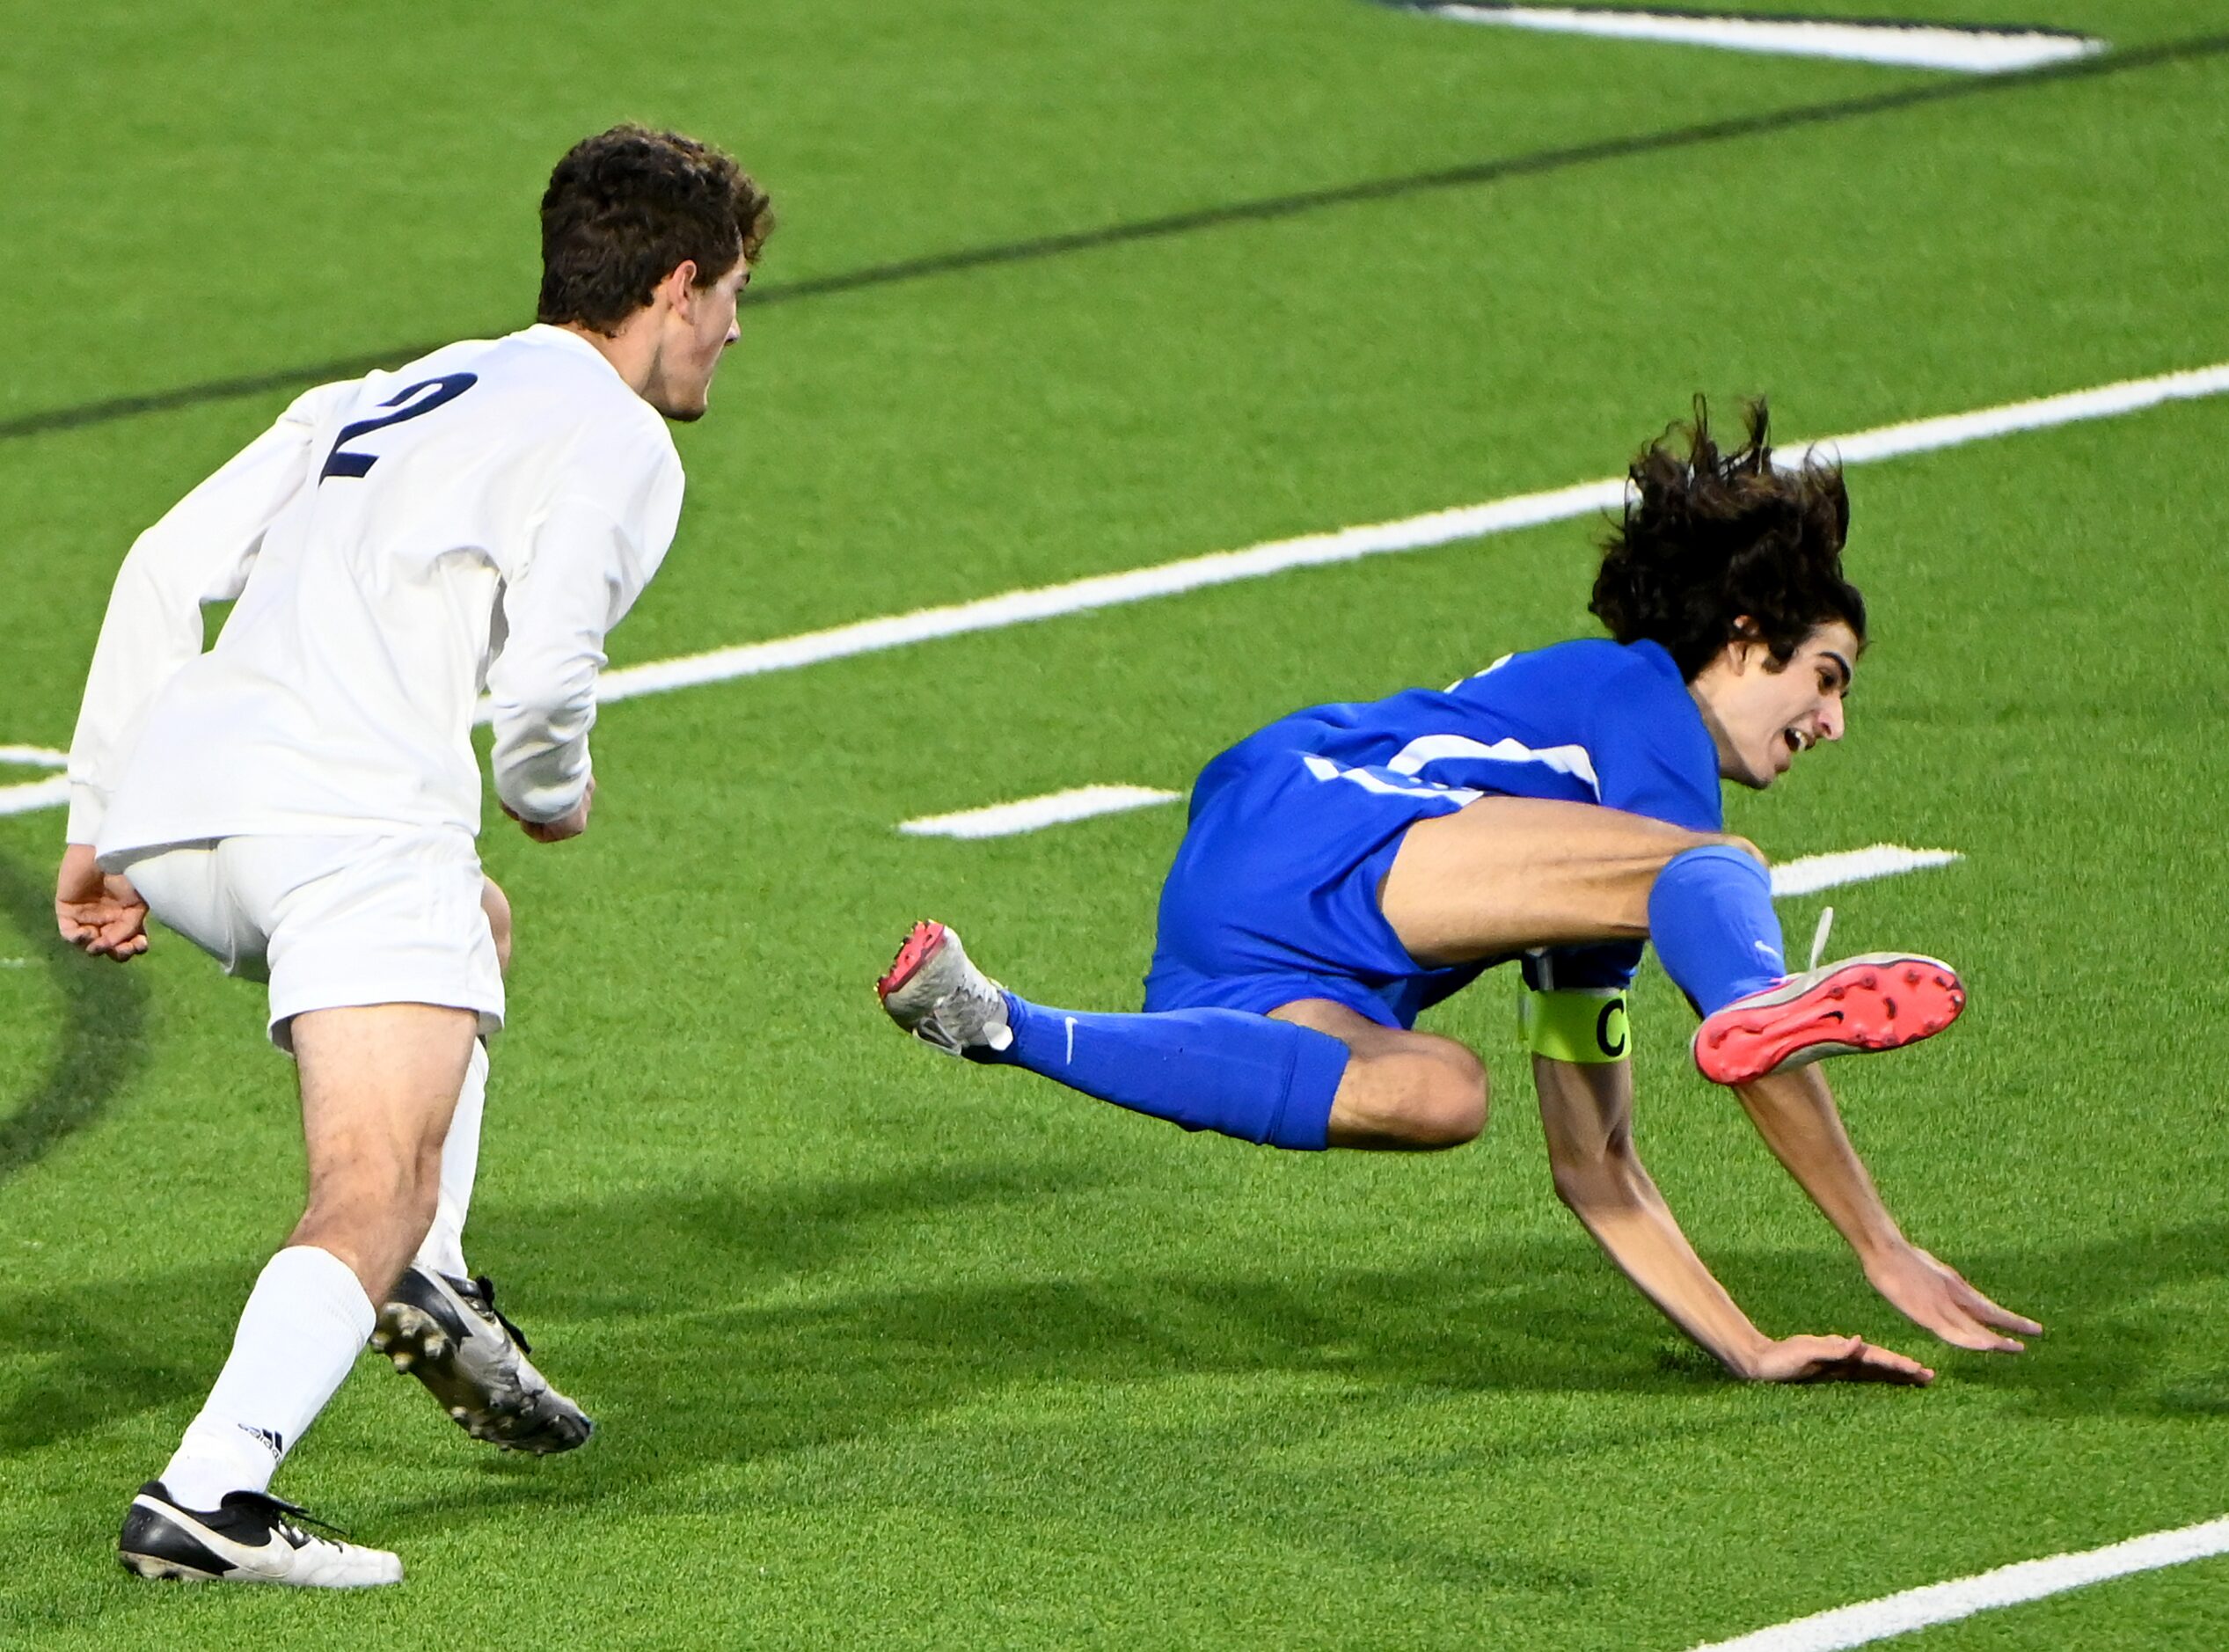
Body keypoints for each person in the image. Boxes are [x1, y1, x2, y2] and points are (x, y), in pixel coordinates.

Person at [880, 401, 2040, 1388]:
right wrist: (1875, 1242)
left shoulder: (1587, 875)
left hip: (1244, 930)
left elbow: (1596, 1166)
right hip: (1330, 819)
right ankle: (1756, 988)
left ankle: (1003, 1024)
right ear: (1743, 639)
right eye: (1822, 678)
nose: (1831, 722)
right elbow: (1695, 892)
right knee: (1717, 869)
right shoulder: (1640, 698)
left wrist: (1749, 1344)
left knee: (1442, 1092)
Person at [54, 124, 772, 1587]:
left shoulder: (384, 387)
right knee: (366, 1178)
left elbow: (155, 562)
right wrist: (548, 787)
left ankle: (428, 1267)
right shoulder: (615, 434)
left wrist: (98, 817)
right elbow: (554, 665)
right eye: (733, 295)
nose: (736, 329)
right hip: (347, 818)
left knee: (475, 923)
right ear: (675, 286)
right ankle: (215, 1493)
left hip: (190, 810)